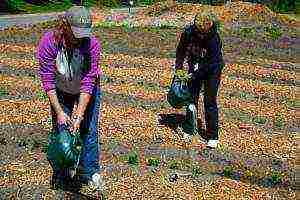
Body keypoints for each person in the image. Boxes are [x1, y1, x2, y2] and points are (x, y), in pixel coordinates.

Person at [36, 6, 105, 191]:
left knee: (88, 130)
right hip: (60, 89)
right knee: (62, 130)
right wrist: (59, 112)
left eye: (84, 33)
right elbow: (47, 80)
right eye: (76, 33)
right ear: (65, 26)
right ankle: (62, 171)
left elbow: (89, 80)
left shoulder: (92, 45)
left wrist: (79, 115)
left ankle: (89, 171)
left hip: (85, 88)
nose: (80, 38)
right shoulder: (49, 43)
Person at [175, 11, 225, 148]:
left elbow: (210, 64)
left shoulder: (214, 39)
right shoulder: (188, 33)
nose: (201, 35)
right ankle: (189, 128)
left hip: (212, 69)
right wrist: (179, 68)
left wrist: (193, 75)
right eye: (199, 32)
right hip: (195, 64)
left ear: (209, 28)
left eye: (204, 33)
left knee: (210, 101)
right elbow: (180, 50)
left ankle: (212, 136)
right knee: (191, 98)